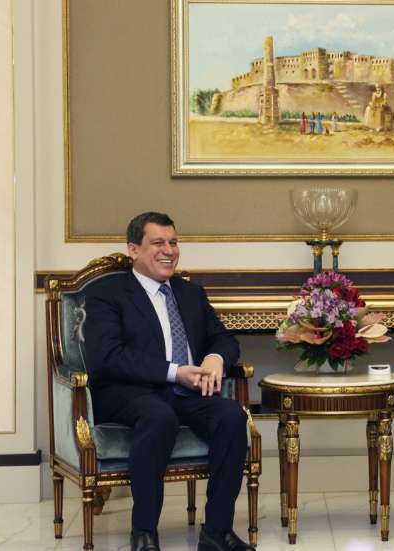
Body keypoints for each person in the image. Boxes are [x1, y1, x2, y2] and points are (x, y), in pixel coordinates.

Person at [84, 212, 254, 551]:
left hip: (186, 392)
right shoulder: (107, 293)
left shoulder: (190, 293)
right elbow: (108, 356)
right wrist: (175, 371)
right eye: (158, 243)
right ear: (134, 249)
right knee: (158, 417)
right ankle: (144, 533)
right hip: (128, 392)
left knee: (232, 416)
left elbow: (224, 339)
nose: (169, 250)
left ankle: (216, 532)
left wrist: (214, 358)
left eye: (173, 242)